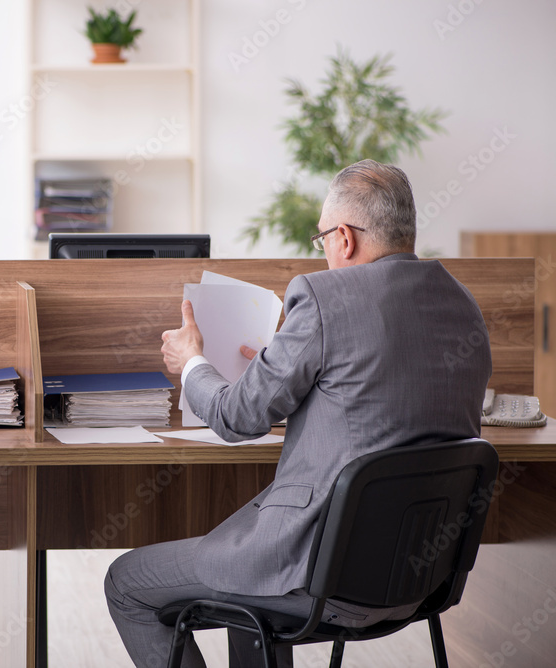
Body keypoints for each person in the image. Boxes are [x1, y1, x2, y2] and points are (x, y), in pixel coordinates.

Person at [104, 159, 492, 668]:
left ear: (345, 237)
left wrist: (191, 361)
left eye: (323, 238)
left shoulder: (324, 296)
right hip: (421, 578)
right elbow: (377, 407)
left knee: (127, 582)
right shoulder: (463, 304)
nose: (325, 251)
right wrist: (280, 367)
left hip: (319, 575)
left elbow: (236, 418)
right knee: (247, 611)